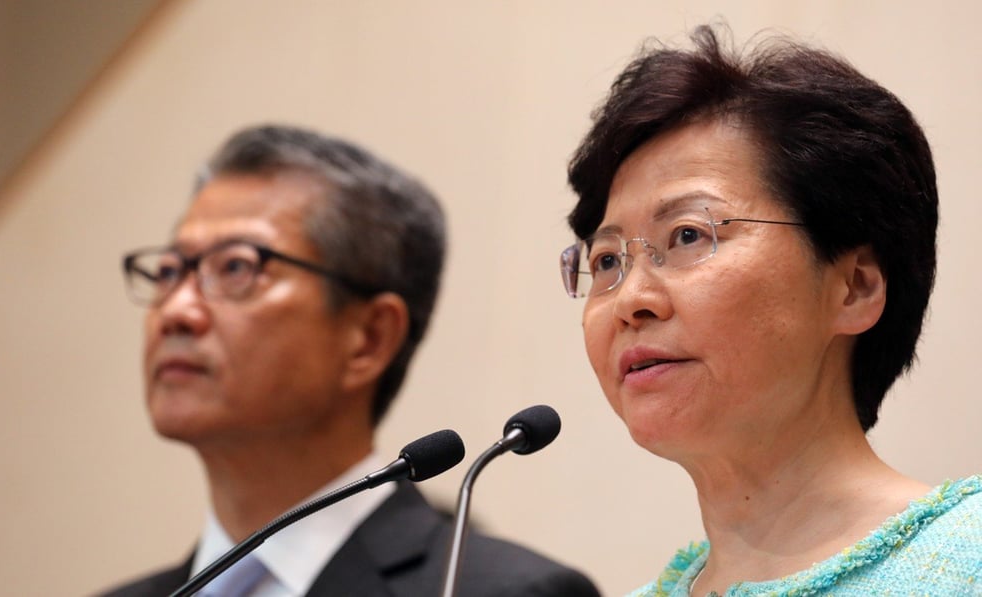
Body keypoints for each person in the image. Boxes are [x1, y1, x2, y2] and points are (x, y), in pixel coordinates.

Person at [559, 24, 981, 596]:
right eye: (607, 261)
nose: (631, 300)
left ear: (853, 287)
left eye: (687, 235)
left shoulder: (966, 559)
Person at [101, 124, 601, 597]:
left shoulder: (502, 591)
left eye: (235, 267)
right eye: (170, 270)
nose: (177, 311)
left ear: (369, 337)